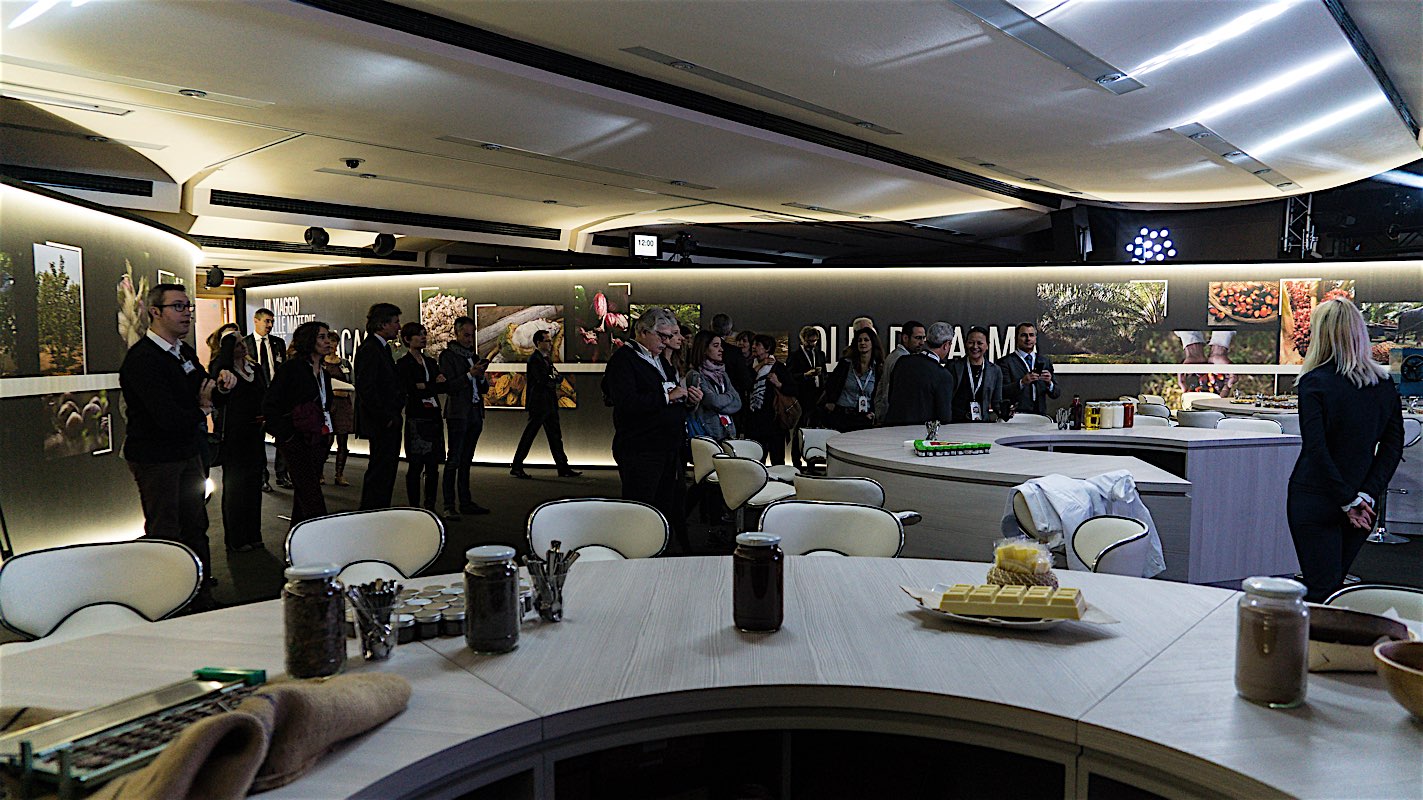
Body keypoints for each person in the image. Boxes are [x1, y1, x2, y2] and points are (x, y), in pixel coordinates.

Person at [120, 284, 235, 610]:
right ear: (155, 312)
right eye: (178, 307)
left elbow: (204, 389)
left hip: (188, 451)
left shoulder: (182, 352)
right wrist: (202, 407)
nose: (187, 313)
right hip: (157, 458)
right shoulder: (142, 359)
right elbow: (167, 417)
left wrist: (222, 387)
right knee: (166, 531)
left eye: (188, 307)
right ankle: (169, 601)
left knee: (196, 526)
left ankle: (199, 595)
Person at [1287, 299, 1404, 603]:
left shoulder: (1314, 382)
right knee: (1333, 586)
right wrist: (1365, 494)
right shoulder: (1383, 384)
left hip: (1316, 497)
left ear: (1320, 334)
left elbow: (1316, 449)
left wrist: (1347, 499)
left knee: (1321, 589)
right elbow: (1392, 447)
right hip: (1363, 503)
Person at [603, 309, 700, 534]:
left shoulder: (660, 361)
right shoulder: (624, 360)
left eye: (669, 336)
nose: (666, 342)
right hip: (641, 448)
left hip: (667, 447)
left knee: (665, 508)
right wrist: (668, 397)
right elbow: (627, 402)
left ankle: (661, 547)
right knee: (641, 510)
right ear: (643, 332)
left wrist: (688, 401)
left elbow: (669, 398)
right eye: (662, 336)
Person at [263, 321, 335, 526]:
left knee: (305, 493)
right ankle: (320, 533)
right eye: (321, 337)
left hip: (318, 438)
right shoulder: (291, 369)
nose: (327, 341)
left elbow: (325, 404)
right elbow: (270, 403)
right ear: (309, 340)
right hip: (296, 439)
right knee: (311, 494)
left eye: (328, 337)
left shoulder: (324, 373)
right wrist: (286, 435)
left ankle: (297, 536)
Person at [210, 332, 266, 553]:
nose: (243, 346)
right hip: (235, 435)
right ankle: (236, 538)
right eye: (237, 344)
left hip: (255, 432)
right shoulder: (223, 372)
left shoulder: (255, 369)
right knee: (235, 487)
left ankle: (254, 533)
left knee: (254, 483)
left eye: (243, 342)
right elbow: (218, 399)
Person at [439, 315, 492, 519]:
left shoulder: (474, 356)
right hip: (458, 414)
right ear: (457, 333)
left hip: (475, 412)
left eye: (472, 335)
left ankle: (465, 501)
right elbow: (449, 386)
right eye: (466, 335)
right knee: (454, 459)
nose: (470, 339)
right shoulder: (448, 356)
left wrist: (482, 376)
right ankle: (449, 505)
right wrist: (470, 374)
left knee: (467, 459)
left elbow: (483, 388)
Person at [510, 329, 580, 479]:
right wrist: (552, 378)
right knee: (530, 435)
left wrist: (552, 378)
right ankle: (516, 465)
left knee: (555, 436)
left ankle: (563, 467)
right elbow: (543, 380)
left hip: (549, 403)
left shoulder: (546, 359)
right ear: (538, 343)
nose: (550, 343)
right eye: (547, 341)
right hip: (539, 404)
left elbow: (556, 377)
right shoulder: (535, 360)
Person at [355, 303, 405, 510]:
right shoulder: (371, 349)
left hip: (386, 420)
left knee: (386, 469)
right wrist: (386, 417)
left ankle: (378, 510)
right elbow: (367, 388)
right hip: (381, 422)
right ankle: (372, 511)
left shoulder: (380, 348)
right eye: (395, 322)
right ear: (383, 324)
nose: (399, 327)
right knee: (380, 470)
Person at [396, 322, 447, 510]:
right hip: (416, 416)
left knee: (433, 465)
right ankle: (414, 505)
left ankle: (430, 505)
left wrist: (425, 385)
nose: (423, 337)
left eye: (424, 334)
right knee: (416, 465)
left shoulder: (431, 362)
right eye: (419, 334)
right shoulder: (403, 364)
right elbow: (409, 387)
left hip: (433, 415)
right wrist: (430, 384)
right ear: (407, 339)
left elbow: (442, 385)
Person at [245, 308, 289, 491]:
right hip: (257, 398)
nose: (270, 325)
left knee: (283, 436)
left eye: (272, 321)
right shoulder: (246, 344)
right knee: (258, 440)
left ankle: (282, 474)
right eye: (266, 321)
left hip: (277, 396)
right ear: (256, 321)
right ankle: (262, 476)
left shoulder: (278, 343)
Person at [883, 321, 955, 426]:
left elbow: (890, 396)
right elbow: (944, 417)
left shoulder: (902, 361)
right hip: (919, 433)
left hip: (893, 428)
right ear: (946, 345)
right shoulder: (943, 375)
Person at [744, 333, 797, 465]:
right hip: (754, 421)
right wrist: (761, 365)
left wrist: (778, 384)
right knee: (756, 460)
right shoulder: (750, 366)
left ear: (767, 348)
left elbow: (793, 389)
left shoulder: (779, 368)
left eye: (758, 345)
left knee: (777, 460)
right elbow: (745, 383)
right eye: (753, 344)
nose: (753, 347)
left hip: (774, 421)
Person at [822, 326, 882, 432]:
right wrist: (830, 402)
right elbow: (831, 383)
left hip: (864, 418)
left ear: (873, 343)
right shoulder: (845, 364)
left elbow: (879, 393)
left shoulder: (878, 368)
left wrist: (873, 411)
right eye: (859, 340)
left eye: (866, 340)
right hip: (842, 415)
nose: (862, 343)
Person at [686, 330, 740, 441]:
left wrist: (721, 401)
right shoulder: (696, 375)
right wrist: (729, 397)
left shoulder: (722, 374)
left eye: (720, 345)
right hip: (707, 434)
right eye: (716, 346)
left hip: (727, 432)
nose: (721, 350)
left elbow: (737, 402)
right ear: (704, 349)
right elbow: (713, 401)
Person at [997, 322, 1059, 417]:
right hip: (1015, 416)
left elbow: (1056, 393)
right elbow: (1002, 391)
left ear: (1035, 338)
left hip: (1040, 416)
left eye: (1031, 335)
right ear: (1016, 338)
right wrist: (1022, 383)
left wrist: (1049, 383)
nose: (1028, 339)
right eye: (1024, 335)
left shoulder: (1045, 361)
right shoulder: (1005, 362)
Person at [788, 325, 828, 464]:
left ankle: (814, 458)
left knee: (816, 429)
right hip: (802, 396)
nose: (812, 344)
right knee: (799, 429)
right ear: (802, 339)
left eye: (815, 341)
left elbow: (825, 374)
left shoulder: (820, 354)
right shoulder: (795, 356)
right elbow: (790, 376)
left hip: (818, 396)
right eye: (810, 341)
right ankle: (796, 460)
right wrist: (805, 375)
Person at [946, 326, 1004, 422]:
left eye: (979, 343)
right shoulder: (953, 367)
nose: (975, 347)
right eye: (971, 342)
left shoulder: (995, 371)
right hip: (955, 422)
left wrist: (1005, 412)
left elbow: (997, 403)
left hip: (982, 423)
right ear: (965, 344)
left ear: (987, 345)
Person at [874, 320, 925, 421]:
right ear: (905, 338)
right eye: (918, 338)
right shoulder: (902, 360)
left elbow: (881, 387)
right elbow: (887, 389)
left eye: (924, 338)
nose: (922, 342)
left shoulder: (893, 356)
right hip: (897, 417)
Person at [319, 350, 354, 486]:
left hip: (343, 405)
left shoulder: (344, 363)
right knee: (326, 440)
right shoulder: (321, 364)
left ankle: (339, 474)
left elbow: (352, 382)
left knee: (343, 440)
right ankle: (319, 472)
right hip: (328, 405)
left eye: (334, 341)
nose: (332, 345)